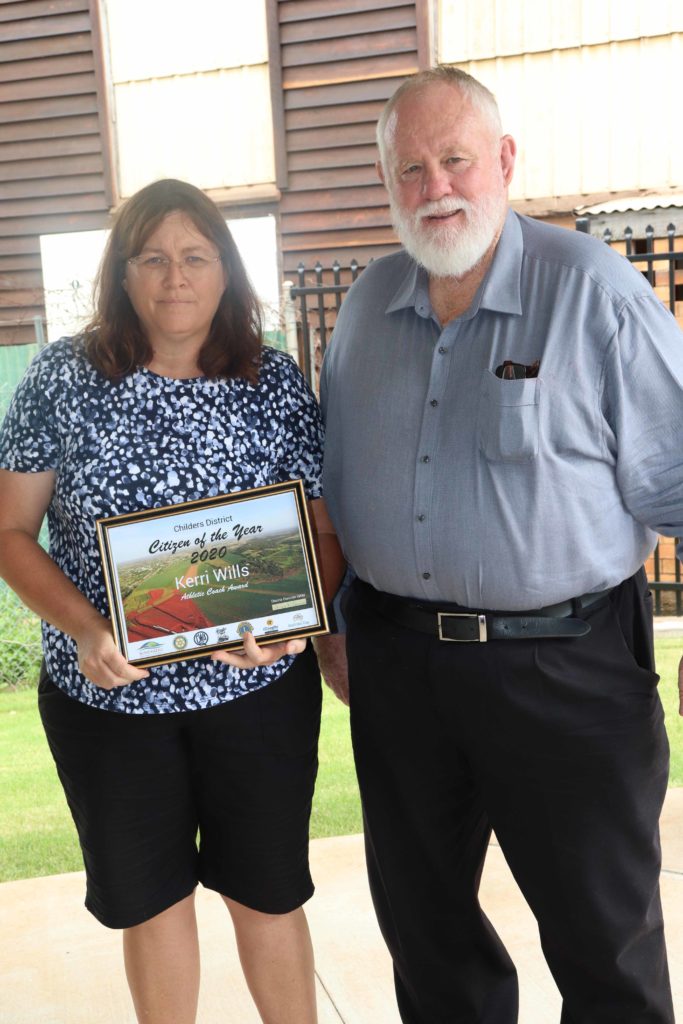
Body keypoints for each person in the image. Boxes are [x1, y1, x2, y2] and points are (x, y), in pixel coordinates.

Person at [314, 66, 683, 1023]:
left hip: (565, 671)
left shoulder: (591, 295)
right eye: (410, 168)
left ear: (504, 162)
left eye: (454, 160)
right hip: (396, 673)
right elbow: (337, 494)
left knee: (604, 944)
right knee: (428, 941)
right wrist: (329, 625)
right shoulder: (363, 310)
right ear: (387, 182)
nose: (434, 186)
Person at [0, 178, 344, 1024]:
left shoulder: (271, 380)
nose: (174, 276)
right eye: (151, 257)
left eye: (195, 256)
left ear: (226, 271)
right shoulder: (61, 379)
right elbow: (10, 532)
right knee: (150, 902)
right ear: (120, 274)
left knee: (268, 893)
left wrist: (292, 625)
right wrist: (83, 626)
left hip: (256, 694)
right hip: (109, 699)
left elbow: (322, 532)